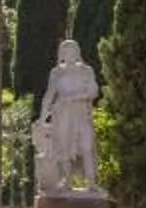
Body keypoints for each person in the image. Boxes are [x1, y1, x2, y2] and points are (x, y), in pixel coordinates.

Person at [37, 38, 102, 194]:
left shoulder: (86, 70)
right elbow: (49, 95)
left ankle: (91, 182)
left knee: (86, 146)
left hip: (80, 112)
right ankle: (66, 180)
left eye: (72, 50)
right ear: (61, 54)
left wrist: (74, 97)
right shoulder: (57, 73)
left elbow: (93, 91)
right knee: (64, 147)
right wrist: (42, 117)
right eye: (66, 51)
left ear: (78, 52)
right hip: (62, 114)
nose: (69, 54)